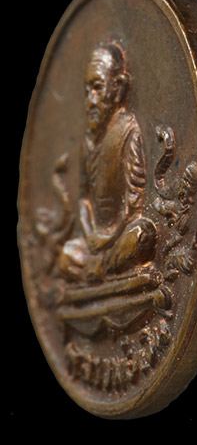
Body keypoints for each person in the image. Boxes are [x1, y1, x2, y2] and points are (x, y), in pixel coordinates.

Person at [58, 42, 157, 283]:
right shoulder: (88, 142)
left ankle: (98, 268)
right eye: (87, 91)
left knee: (142, 235)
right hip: (96, 237)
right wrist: (91, 235)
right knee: (67, 255)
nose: (91, 100)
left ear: (119, 87)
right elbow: (83, 199)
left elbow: (133, 204)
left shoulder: (128, 131)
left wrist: (109, 238)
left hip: (120, 233)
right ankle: (102, 267)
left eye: (97, 87)